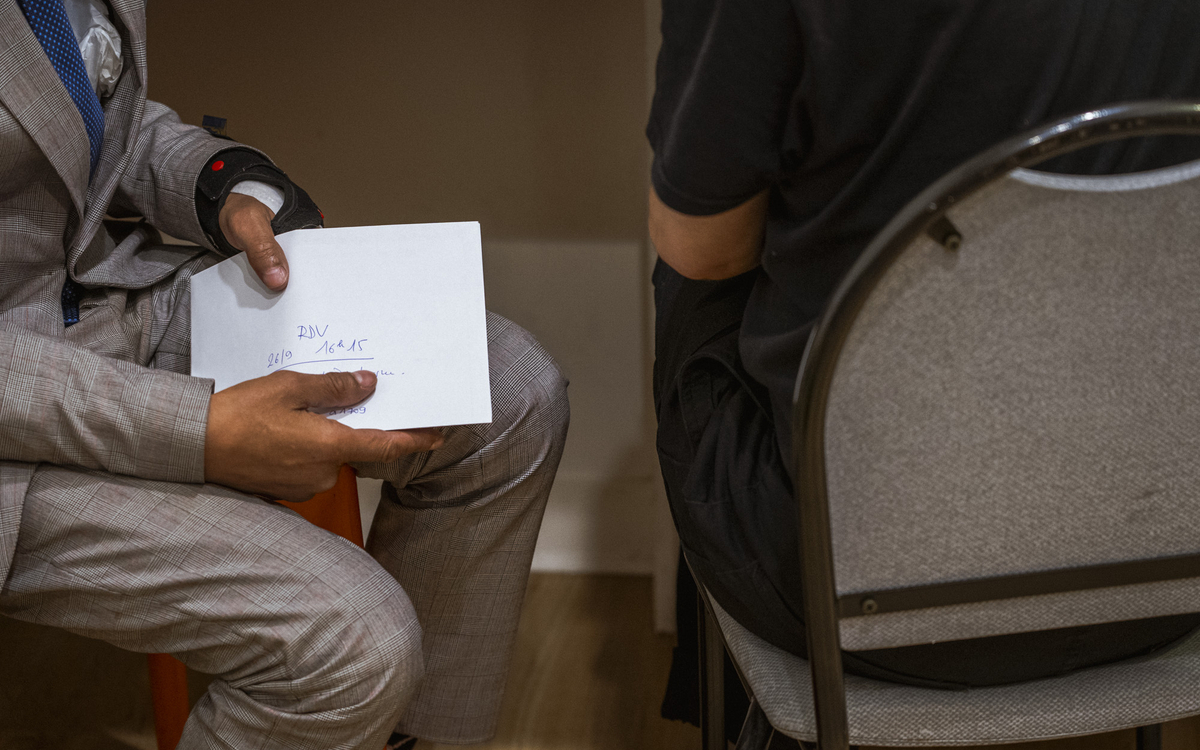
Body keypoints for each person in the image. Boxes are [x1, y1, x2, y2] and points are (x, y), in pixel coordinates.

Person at [0, 1, 569, 747]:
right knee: (353, 644)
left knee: (508, 393)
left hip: (97, 309)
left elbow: (98, 120)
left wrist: (230, 185)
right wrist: (197, 432)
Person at [648, 0, 1200, 702]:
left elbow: (704, 250)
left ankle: (753, 713)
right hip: (1164, 578)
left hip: (858, 599)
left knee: (695, 273)